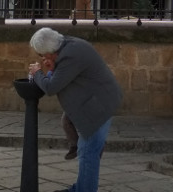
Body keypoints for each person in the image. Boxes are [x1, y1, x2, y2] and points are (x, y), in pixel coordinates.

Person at [29, 27, 121, 192]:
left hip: (98, 106)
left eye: (42, 54)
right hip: (95, 101)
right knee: (81, 140)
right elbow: (62, 76)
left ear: (50, 51)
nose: (42, 58)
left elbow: (51, 87)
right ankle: (80, 185)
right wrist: (51, 69)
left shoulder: (70, 56)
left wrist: (37, 73)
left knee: (88, 154)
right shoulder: (68, 46)